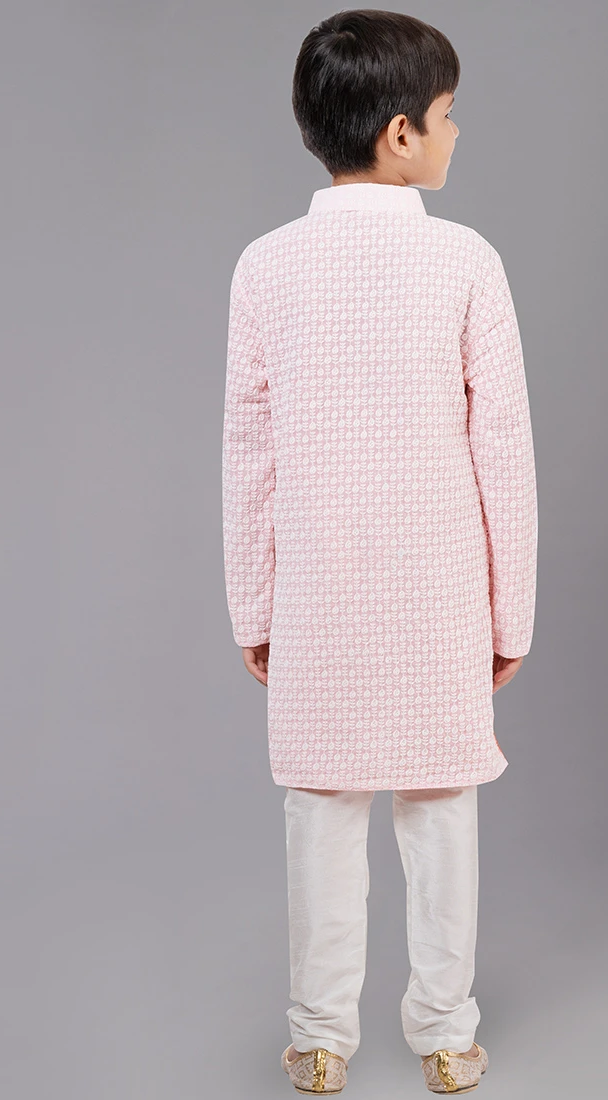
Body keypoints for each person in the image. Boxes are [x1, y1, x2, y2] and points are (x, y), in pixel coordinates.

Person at [221, 9, 538, 1094]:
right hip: (439, 590)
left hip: (316, 590)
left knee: (320, 807)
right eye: (448, 114)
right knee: (440, 806)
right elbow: (503, 452)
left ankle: (320, 1040)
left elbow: (248, 454)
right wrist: (511, 610)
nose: (456, 131)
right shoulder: (466, 260)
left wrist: (252, 603)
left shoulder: (264, 266)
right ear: (401, 132)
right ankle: (444, 1034)